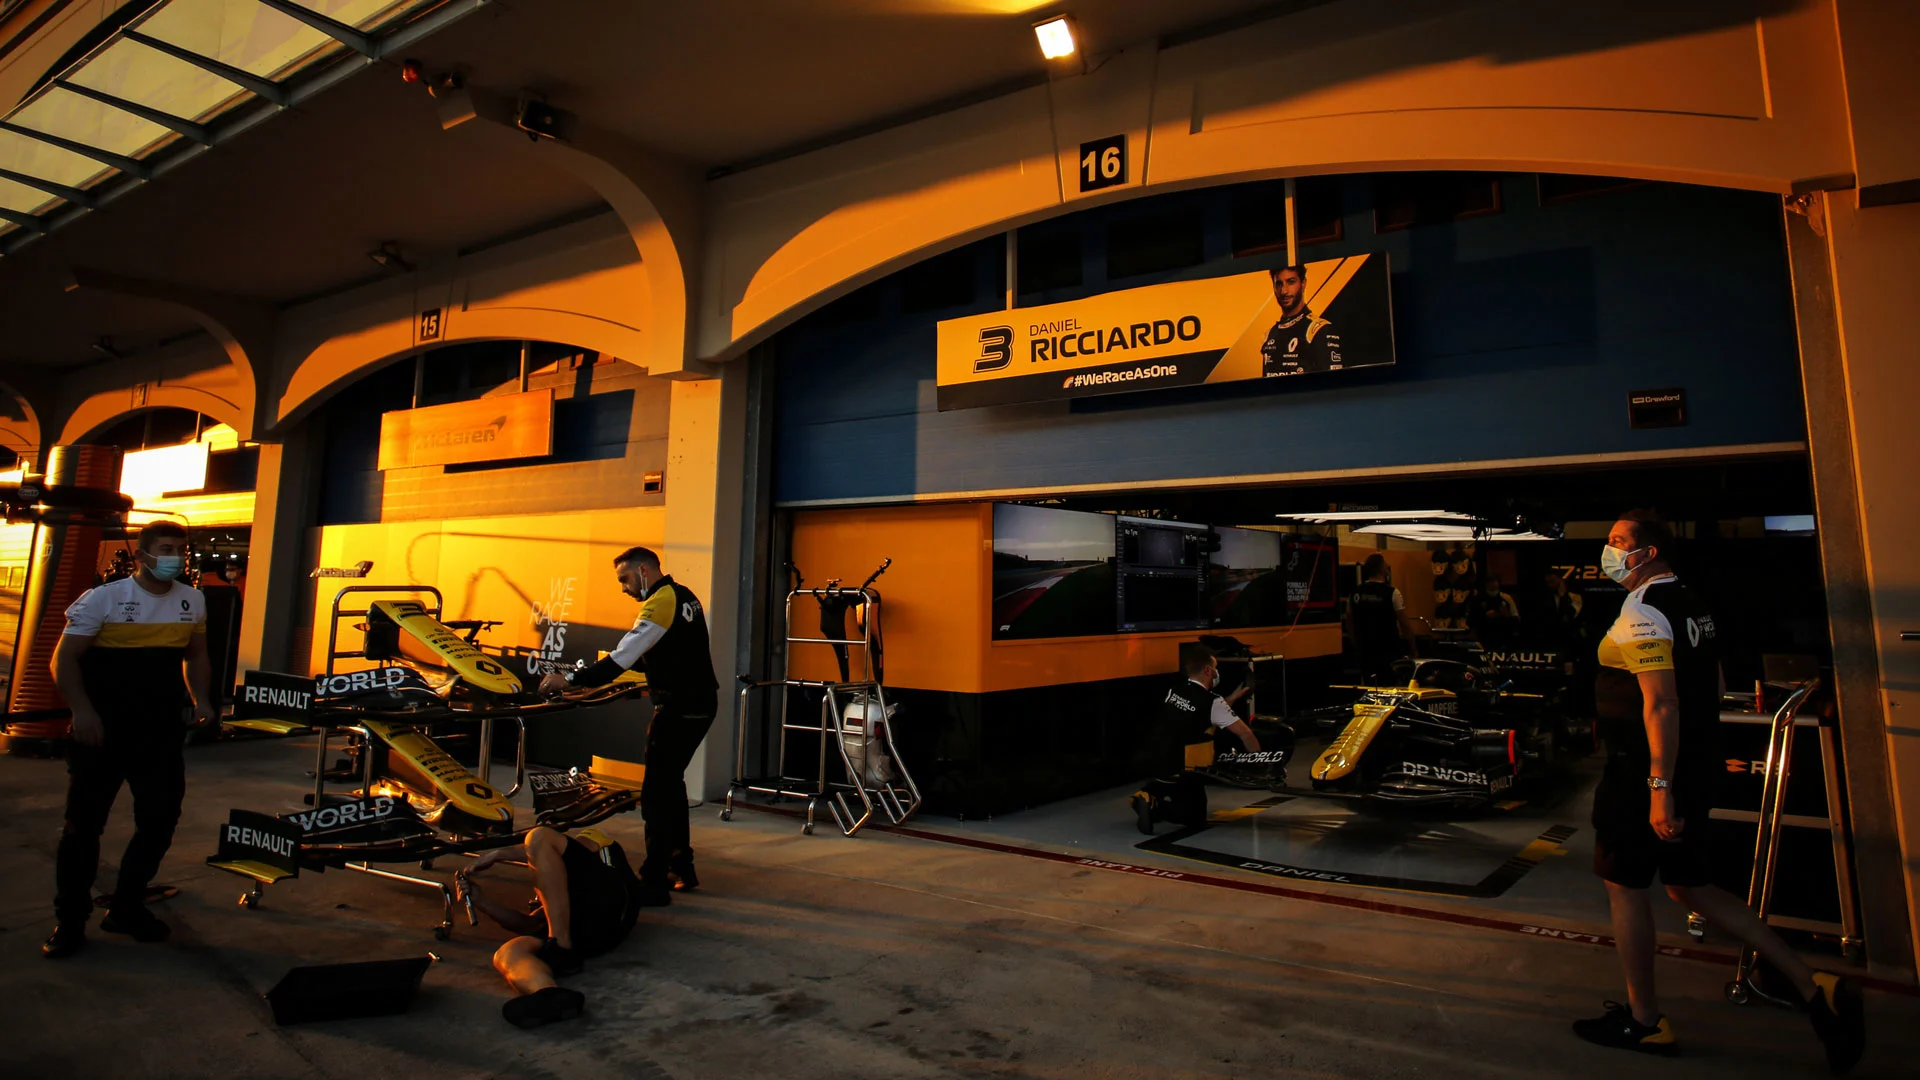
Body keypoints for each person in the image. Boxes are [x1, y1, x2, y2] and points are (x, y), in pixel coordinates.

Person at [1573, 510, 1864, 1070]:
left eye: (1617, 542)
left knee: (1624, 887)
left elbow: (1661, 703)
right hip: (1693, 763)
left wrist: (1660, 788)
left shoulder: (1645, 610)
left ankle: (1643, 1021)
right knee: (1691, 886)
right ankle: (1813, 984)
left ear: (1649, 551)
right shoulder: (1689, 601)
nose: (1609, 553)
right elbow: (1714, 680)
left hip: (1645, 773)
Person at [43, 521, 215, 958]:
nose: (175, 556)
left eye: (181, 548)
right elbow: (63, 661)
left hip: (158, 733)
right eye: (166, 548)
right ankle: (70, 921)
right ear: (142, 556)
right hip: (101, 731)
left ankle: (125, 906)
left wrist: (202, 700)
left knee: (159, 822)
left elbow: (196, 655)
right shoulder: (104, 599)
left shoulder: (191, 599)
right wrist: (82, 712)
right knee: (83, 829)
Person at [539, 547, 717, 905]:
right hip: (697, 703)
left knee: (655, 794)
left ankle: (654, 880)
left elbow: (622, 657)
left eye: (624, 579)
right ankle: (681, 866)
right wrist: (643, 685)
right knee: (669, 786)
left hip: (680, 708)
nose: (623, 588)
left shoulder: (659, 603)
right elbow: (674, 653)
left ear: (644, 571)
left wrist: (571, 679)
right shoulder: (684, 595)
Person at [457, 826, 644, 1028]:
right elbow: (526, 924)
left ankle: (560, 945)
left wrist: (498, 854)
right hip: (588, 938)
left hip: (613, 906)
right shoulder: (556, 899)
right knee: (508, 952)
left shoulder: (589, 841)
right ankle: (549, 994)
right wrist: (481, 902)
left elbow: (542, 844)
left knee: (538, 836)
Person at [1130, 644, 1260, 835]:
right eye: (1215, 668)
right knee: (1195, 818)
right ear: (1208, 670)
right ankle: (1154, 805)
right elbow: (1245, 733)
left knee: (1169, 786)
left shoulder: (1174, 691)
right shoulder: (1213, 702)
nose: (1217, 673)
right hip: (1186, 769)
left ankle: (1144, 796)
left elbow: (1199, 713)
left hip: (1155, 761)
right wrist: (1257, 761)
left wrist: (1231, 698)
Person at [1259, 265, 1341, 377]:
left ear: (1303, 283)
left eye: (1291, 282)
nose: (1284, 291)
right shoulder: (1269, 335)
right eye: (1279, 284)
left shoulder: (1319, 330)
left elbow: (1333, 387)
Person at [1348, 554, 1417, 679]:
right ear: (1382, 569)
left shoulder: (1355, 592)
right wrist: (1413, 647)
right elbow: (1404, 624)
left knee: (1369, 688)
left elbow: (1349, 620)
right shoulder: (1392, 593)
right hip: (1389, 652)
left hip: (1365, 652)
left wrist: (1356, 643)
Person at [1468, 574, 1522, 646]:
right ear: (1486, 584)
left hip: (1503, 636)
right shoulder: (1477, 599)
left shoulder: (1506, 598)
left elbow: (1516, 619)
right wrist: (1485, 616)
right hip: (1484, 637)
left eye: (1495, 582)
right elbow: (1471, 620)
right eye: (1490, 583)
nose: (1493, 585)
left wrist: (1506, 615)